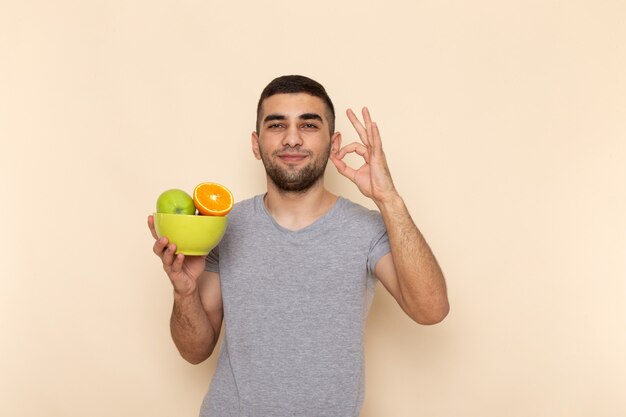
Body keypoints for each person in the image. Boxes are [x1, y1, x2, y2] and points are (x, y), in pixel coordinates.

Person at [148, 75, 449, 417]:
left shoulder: (367, 229)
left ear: (334, 144)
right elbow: (195, 351)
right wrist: (184, 292)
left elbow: (431, 310)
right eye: (276, 125)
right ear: (256, 143)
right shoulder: (224, 226)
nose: (292, 139)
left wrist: (388, 197)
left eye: (308, 125)